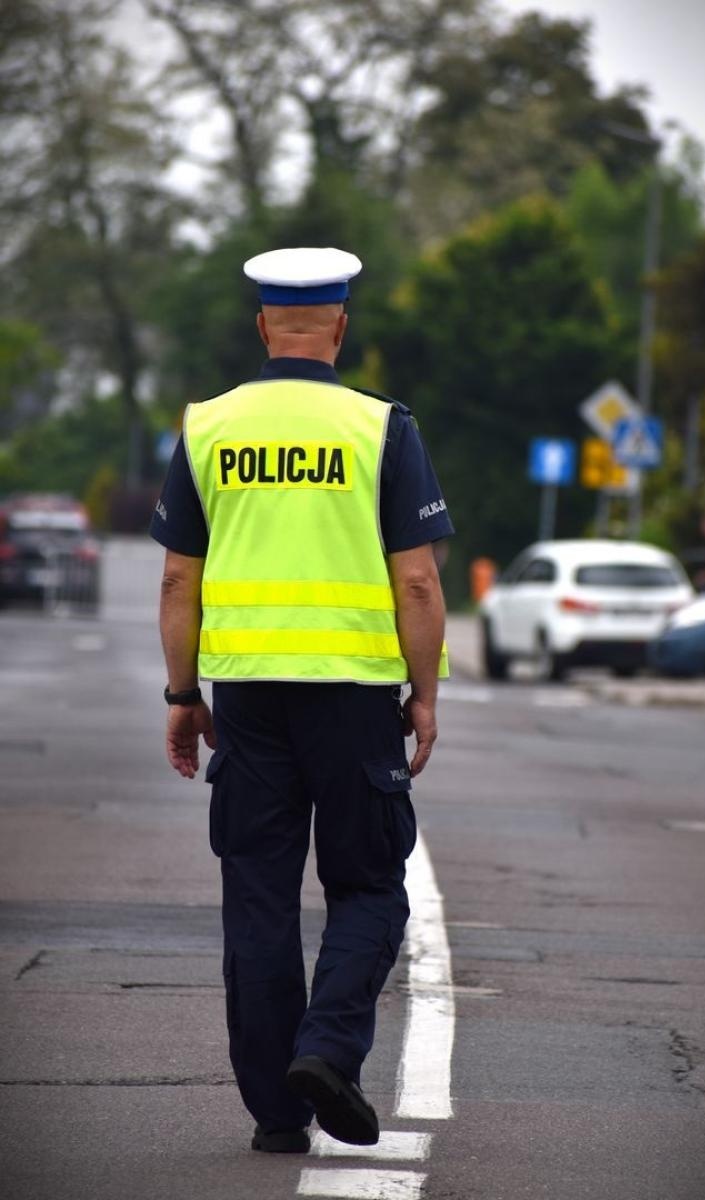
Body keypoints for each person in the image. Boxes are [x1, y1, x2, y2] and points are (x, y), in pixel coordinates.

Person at [149, 246, 453, 1155]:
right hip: (354, 699)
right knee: (369, 885)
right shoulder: (380, 429)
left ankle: (276, 1112)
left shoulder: (208, 427)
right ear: (341, 327)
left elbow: (177, 579)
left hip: (246, 699)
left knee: (259, 896)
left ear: (262, 326)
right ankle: (326, 1050)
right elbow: (418, 583)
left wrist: (182, 693)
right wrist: (425, 694)